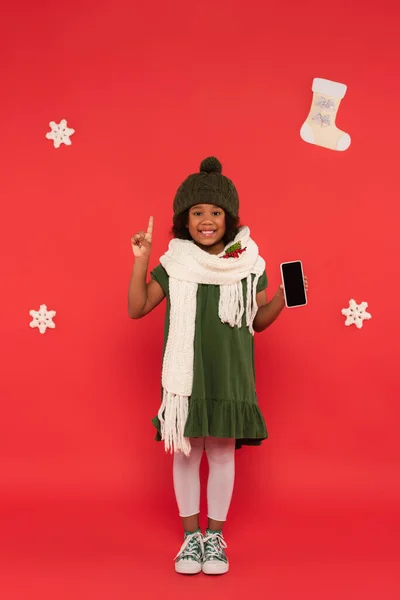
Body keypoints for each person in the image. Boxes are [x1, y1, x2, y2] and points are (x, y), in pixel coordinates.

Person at [128, 157, 308, 575]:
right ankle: (191, 539)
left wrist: (282, 295)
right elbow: (137, 308)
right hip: (186, 378)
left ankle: (215, 537)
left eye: (215, 212)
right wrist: (142, 258)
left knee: (223, 452)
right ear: (184, 220)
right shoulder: (174, 263)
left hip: (230, 376)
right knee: (188, 454)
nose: (207, 220)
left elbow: (257, 321)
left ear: (228, 219)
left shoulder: (250, 264)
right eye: (197, 213)